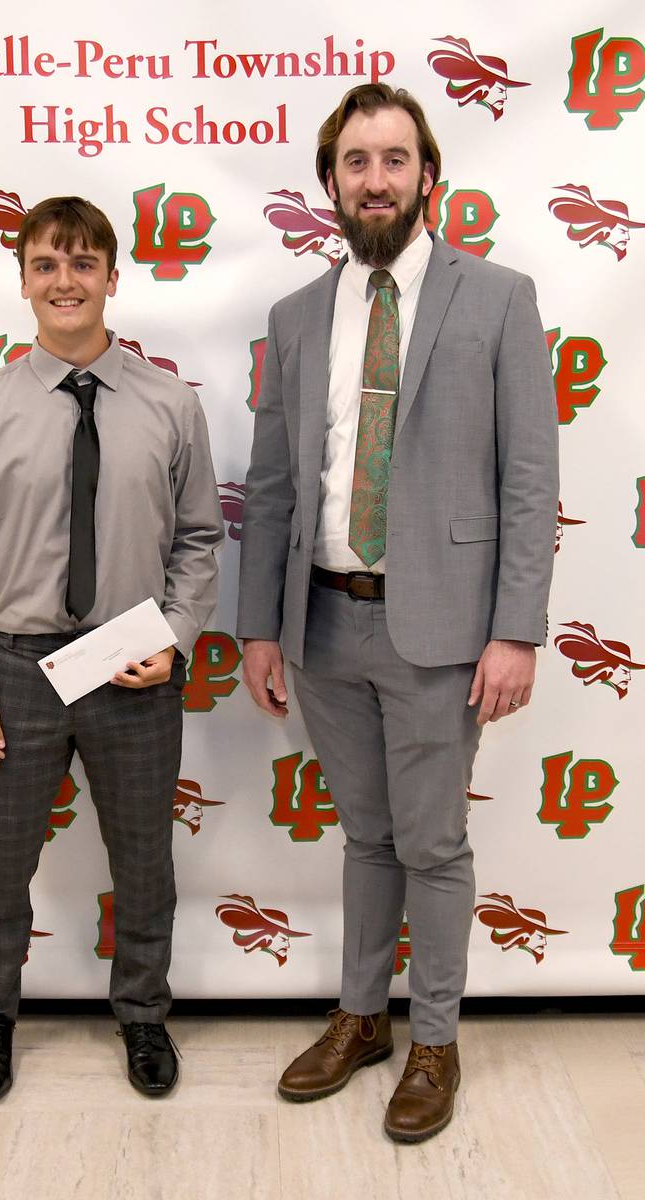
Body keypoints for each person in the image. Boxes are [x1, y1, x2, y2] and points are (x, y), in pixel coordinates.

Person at [237, 83, 558, 1142]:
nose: (375, 179)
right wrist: (257, 628)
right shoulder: (292, 318)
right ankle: (358, 1017)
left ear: (428, 176)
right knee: (365, 839)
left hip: (440, 626)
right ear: (328, 182)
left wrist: (513, 628)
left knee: (431, 844)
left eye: (394, 159)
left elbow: (525, 479)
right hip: (322, 623)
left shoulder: (498, 298)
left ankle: (433, 1040)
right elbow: (275, 483)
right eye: (355, 161)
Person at [0, 195, 224, 1102]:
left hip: (133, 667)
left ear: (111, 277)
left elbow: (200, 540)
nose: (66, 281)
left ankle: (141, 1016)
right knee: (0, 860)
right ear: (22, 282)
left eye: (83, 263)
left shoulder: (171, 406)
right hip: (15, 669)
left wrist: (175, 637)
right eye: (47, 265)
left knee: (144, 861)